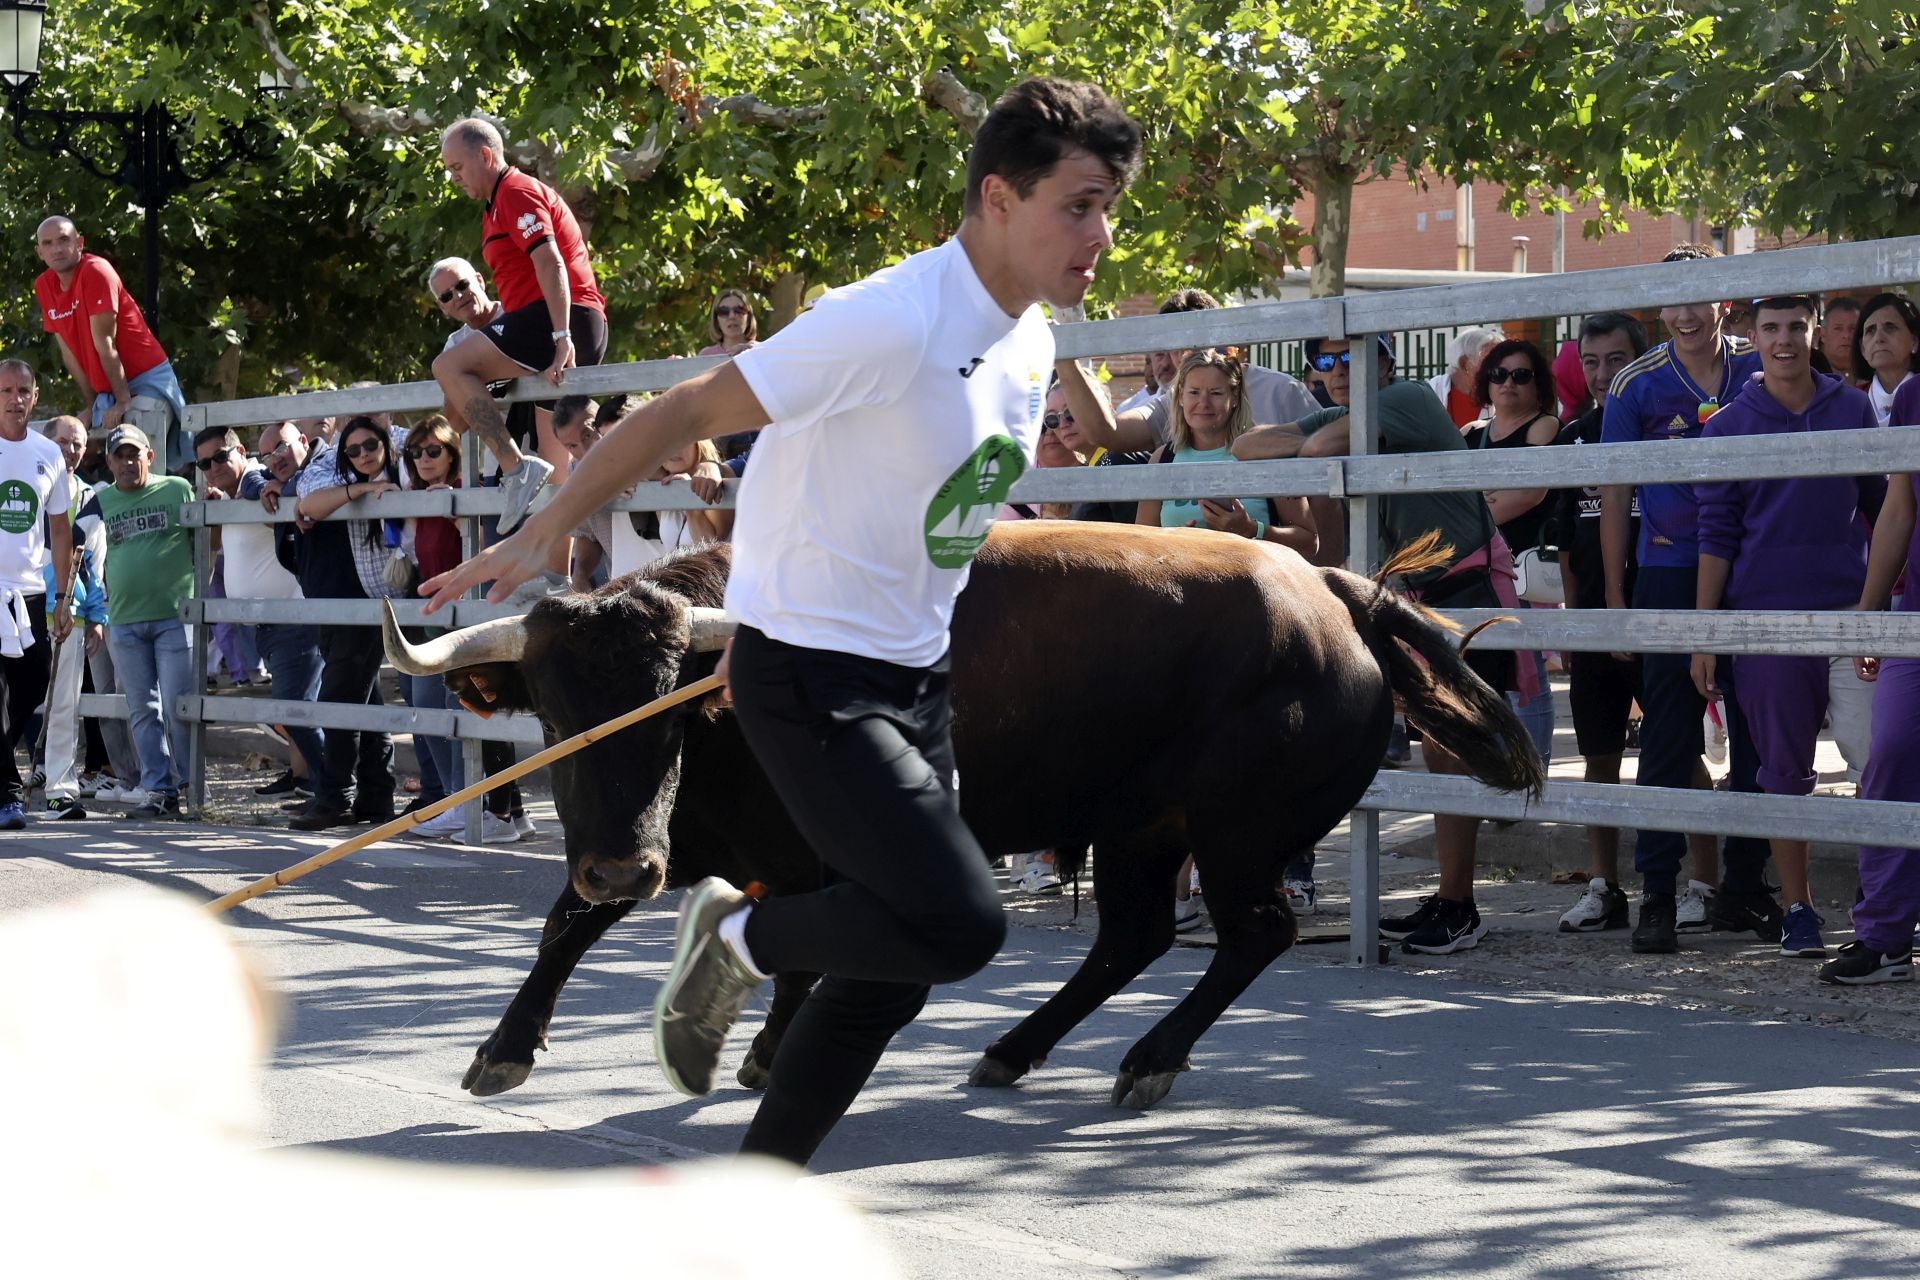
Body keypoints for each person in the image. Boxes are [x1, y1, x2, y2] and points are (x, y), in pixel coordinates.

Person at [423, 78, 1141, 1167]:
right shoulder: (887, 319)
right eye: (1080, 205)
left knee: (889, 974)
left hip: (915, 677)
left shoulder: (1029, 341)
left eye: (1110, 207)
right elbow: (684, 411)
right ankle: (736, 933)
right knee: (963, 921)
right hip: (809, 672)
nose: (1102, 232)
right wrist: (548, 525)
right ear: (999, 196)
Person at [1232, 336, 1522, 955]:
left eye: (1352, 360)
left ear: (1385, 365)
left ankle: (1461, 906)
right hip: (1419, 598)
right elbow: (1245, 446)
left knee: (1456, 752)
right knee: (1437, 751)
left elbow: (1317, 447)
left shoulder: (1408, 398)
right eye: (1326, 363)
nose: (1337, 372)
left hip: (1464, 590)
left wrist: (1314, 438)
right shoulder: (1348, 413)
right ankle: (1451, 900)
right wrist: (1314, 435)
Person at [1691, 295, 1881, 960]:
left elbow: (1884, 511)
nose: (1784, 340)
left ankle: (1883, 908)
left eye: (1795, 327)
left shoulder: (1852, 409)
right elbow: (1715, 537)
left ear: (1816, 332)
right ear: (1750, 336)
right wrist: (1707, 634)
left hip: (1852, 616)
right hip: (1765, 621)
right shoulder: (1728, 428)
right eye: (1770, 328)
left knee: (1878, 759)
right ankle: (1799, 908)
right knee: (1782, 770)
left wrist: (1879, 609)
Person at [1598, 245, 1776, 955]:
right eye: (1669, 300)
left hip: (1754, 570)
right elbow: (1612, 492)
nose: (1682, 313)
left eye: (1695, 298)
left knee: (1760, 733)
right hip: (1667, 571)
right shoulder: (1635, 385)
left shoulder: (1760, 363)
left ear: (1722, 302)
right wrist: (1615, 596)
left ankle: (1743, 886)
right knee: (1668, 738)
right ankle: (1659, 896)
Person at [432, 119, 609, 535]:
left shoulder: (514, 191)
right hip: (552, 324)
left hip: (556, 321)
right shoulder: (495, 205)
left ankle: (514, 468)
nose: (452, 177)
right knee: (557, 471)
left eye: (457, 167)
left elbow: (550, 262)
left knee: (449, 367)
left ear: (486, 156)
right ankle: (556, 579)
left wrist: (562, 336)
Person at [1834, 374, 1920, 983]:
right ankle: (1885, 935)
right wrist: (1870, 617)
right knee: (1888, 756)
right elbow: (1899, 505)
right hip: (1914, 616)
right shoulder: (1914, 395)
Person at [288, 417, 407, 830]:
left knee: (341, 698)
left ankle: (336, 796)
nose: (362, 454)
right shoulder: (336, 463)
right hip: (351, 597)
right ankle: (374, 798)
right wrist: (360, 489)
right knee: (363, 697)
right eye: (352, 447)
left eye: (370, 443)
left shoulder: (408, 448)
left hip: (389, 594)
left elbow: (439, 459)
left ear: (387, 426)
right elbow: (306, 500)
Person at [89, 423, 192, 819]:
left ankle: (192, 789)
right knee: (143, 710)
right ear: (110, 461)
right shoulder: (101, 501)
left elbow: (203, 543)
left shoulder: (177, 490)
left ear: (150, 456)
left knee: (180, 707)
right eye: (120, 455)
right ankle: (159, 791)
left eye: (135, 454)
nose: (128, 462)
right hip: (125, 621)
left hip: (173, 616)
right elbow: (77, 548)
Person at [1467, 337, 1561, 766]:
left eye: (1521, 375)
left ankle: (1532, 771)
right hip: (1476, 573)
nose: (1508, 384)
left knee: (1530, 677)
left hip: (1520, 571)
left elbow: (1528, 492)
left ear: (1538, 384)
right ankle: (1501, 772)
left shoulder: (1544, 425)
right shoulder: (1470, 433)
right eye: (1499, 375)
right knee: (1486, 676)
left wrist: (1473, 510)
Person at [31, 217, 188, 472]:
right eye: (48, 243)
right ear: (39, 252)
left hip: (145, 379)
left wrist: (124, 401)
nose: (57, 249)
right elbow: (68, 353)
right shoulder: (43, 285)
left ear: (79, 243)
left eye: (63, 240)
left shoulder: (96, 270)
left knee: (144, 465)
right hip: (110, 390)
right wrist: (93, 406)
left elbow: (105, 342)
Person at [35, 416, 124, 818]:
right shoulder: (26, 484)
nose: (71, 450)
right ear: (45, 442)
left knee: (64, 703)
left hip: (68, 610)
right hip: (21, 603)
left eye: (78, 444)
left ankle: (59, 789)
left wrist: (97, 616)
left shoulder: (91, 498)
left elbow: (94, 563)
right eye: (64, 442)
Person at [0, 361, 75, 830]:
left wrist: (63, 595)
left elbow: (60, 531)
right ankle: (8, 796)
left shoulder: (49, 452)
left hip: (29, 592)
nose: (14, 399)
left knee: (30, 684)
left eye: (23, 390)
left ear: (35, 394)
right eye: (6, 390)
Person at [232, 422, 324, 801]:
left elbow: (313, 485)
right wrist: (268, 485)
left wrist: (281, 488)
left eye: (282, 447)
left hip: (301, 617)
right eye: (269, 453)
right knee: (299, 707)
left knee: (293, 708)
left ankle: (333, 784)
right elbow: (253, 477)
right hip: (270, 623)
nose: (276, 459)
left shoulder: (321, 470)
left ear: (303, 441)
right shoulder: (262, 481)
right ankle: (308, 780)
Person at [1852, 292, 1920, 427]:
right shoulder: (1850, 402)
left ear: (1914, 341)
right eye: (1870, 330)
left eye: (1890, 327)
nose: (1879, 338)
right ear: (1863, 349)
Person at [1426, 326, 1504, 428]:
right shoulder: (1427, 395)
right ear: (1464, 363)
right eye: (1490, 361)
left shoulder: (1506, 397)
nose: (1499, 369)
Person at [1814, 296, 1862, 385]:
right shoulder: (1809, 375)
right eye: (1838, 329)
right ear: (1823, 334)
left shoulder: (1873, 375)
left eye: (1853, 329)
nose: (1846, 335)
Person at [699, 289, 759, 357]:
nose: (732, 316)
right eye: (724, 311)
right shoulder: (706, 355)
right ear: (716, 320)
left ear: (748, 318)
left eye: (739, 310)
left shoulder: (761, 350)